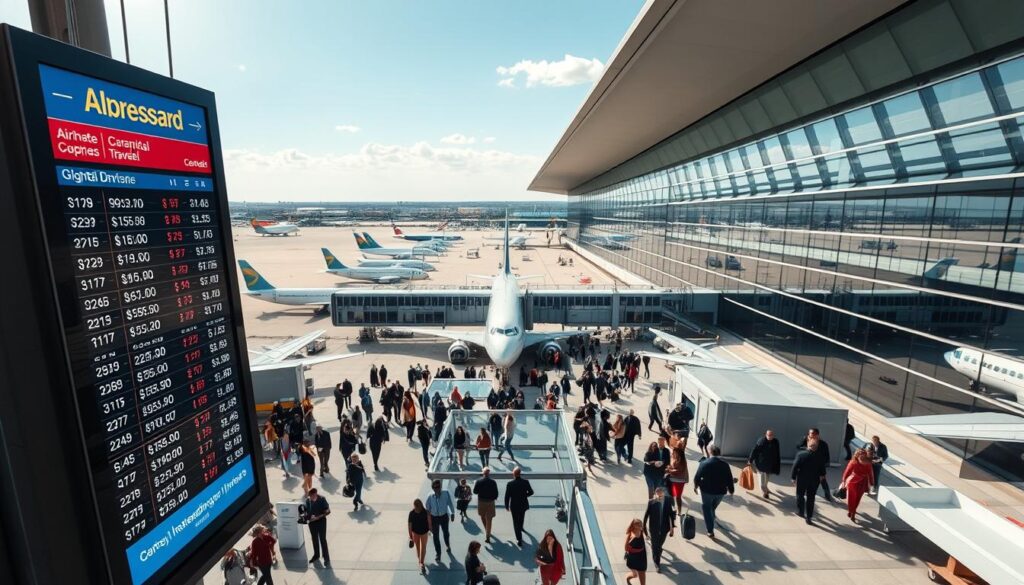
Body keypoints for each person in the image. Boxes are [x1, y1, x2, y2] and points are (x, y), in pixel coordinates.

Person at [692, 444, 734, 539]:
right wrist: (731, 490)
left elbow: (697, 476)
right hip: (720, 492)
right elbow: (729, 479)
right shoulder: (725, 465)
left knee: (707, 509)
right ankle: (712, 517)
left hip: (707, 491)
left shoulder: (704, 463)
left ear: (710, 452)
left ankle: (710, 531)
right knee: (712, 507)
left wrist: (695, 486)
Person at [791, 438, 824, 524]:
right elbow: (822, 470)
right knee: (811, 498)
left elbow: (795, 467)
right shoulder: (820, 456)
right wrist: (821, 476)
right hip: (814, 480)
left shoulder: (801, 455)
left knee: (800, 495)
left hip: (802, 479)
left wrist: (793, 478)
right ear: (816, 447)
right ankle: (809, 517)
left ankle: (801, 512)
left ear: (808, 445)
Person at [643, 487, 676, 573]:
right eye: (658, 497)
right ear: (655, 495)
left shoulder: (669, 500)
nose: (660, 498)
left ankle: (657, 549)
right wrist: (645, 531)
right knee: (655, 546)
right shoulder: (651, 503)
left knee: (659, 544)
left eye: (662, 496)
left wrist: (672, 529)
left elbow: (671, 516)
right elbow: (646, 516)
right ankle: (657, 563)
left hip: (664, 528)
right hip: (654, 529)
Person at [799, 428, 834, 502]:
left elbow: (826, 455)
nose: (810, 436)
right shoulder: (806, 440)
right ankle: (806, 492)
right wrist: (807, 448)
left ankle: (827, 494)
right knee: (807, 479)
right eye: (809, 434)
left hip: (819, 465)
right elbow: (798, 447)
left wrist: (825, 465)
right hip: (808, 464)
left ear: (817, 435)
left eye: (812, 435)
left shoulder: (823, 444)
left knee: (822, 480)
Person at [841, 448, 875, 523]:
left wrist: (872, 483)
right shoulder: (853, 462)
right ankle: (851, 511)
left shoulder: (868, 463)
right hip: (852, 482)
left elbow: (870, 473)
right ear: (857, 455)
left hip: (862, 482)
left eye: (863, 456)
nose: (862, 458)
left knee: (857, 499)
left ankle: (853, 512)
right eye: (861, 456)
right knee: (851, 498)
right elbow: (846, 472)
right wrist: (843, 481)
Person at [425, 479, 454, 562]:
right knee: (436, 537)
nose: (437, 488)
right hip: (434, 518)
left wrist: (452, 513)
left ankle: (448, 545)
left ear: (441, 486)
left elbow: (450, 503)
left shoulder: (446, 493)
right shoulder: (430, 496)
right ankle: (438, 554)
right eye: (435, 487)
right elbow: (427, 510)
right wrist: (429, 523)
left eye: (438, 487)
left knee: (446, 533)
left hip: (444, 516)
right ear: (432, 488)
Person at [504, 466, 534, 547]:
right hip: (523, 504)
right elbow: (531, 492)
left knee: (515, 521)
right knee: (521, 517)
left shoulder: (510, 484)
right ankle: (521, 528)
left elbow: (507, 496)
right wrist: (524, 495)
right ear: (520, 473)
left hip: (514, 505)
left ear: (513, 474)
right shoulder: (526, 482)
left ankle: (519, 539)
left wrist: (506, 506)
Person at [747, 429, 781, 499]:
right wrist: (750, 460)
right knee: (762, 476)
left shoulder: (775, 442)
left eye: (771, 435)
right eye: (768, 435)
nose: (770, 436)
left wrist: (777, 462)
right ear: (765, 435)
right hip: (760, 463)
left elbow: (777, 452)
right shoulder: (761, 441)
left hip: (770, 463)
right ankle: (764, 492)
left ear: (773, 436)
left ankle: (765, 487)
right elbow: (754, 450)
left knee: (767, 477)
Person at [305, 488, 331, 567]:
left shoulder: (322, 499)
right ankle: (316, 555)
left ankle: (326, 558)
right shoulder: (308, 500)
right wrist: (305, 517)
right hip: (312, 523)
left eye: (312, 496)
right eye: (310, 496)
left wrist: (318, 517)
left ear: (316, 494)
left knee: (323, 539)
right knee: (314, 539)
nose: (311, 498)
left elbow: (328, 511)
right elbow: (307, 511)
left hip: (321, 522)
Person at [473, 467, 499, 542]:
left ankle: (487, 530)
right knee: (489, 519)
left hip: (481, 502)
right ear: (489, 473)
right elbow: (496, 493)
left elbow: (475, 492)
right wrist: (493, 498)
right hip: (490, 502)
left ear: (483, 473)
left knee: (482, 516)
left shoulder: (479, 481)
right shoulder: (493, 482)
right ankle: (488, 534)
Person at [408, 499, 431, 573]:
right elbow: (409, 525)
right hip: (419, 532)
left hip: (421, 532)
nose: (416, 508)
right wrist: (411, 537)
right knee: (420, 547)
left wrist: (410, 536)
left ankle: (421, 562)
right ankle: (421, 561)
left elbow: (410, 525)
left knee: (421, 547)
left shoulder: (423, 512)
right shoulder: (413, 513)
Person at [664, 446, 688, 512]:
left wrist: (669, 470)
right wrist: (669, 467)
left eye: (675, 452)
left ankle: (679, 511)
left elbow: (679, 471)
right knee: (671, 495)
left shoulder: (682, 460)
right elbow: (672, 466)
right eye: (673, 452)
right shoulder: (674, 457)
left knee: (678, 496)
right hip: (672, 479)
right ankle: (673, 508)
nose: (673, 453)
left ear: (679, 453)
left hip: (679, 480)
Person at [624, 518, 647, 585]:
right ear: (635, 526)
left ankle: (628, 579)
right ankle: (628, 578)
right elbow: (626, 548)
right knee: (641, 580)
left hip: (641, 556)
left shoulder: (640, 530)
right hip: (636, 560)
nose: (641, 526)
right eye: (639, 525)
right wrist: (638, 550)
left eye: (641, 524)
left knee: (635, 575)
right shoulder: (633, 537)